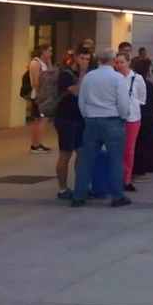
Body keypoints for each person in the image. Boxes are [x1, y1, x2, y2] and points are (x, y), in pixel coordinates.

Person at [71, 49, 131, 208]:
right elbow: (123, 103)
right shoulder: (117, 78)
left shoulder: (89, 77)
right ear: (112, 61)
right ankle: (117, 196)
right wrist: (123, 117)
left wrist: (87, 116)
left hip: (91, 120)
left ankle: (79, 195)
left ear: (98, 61)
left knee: (86, 160)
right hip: (112, 120)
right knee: (115, 160)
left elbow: (81, 101)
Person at [54, 47, 90, 199]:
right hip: (65, 118)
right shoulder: (66, 74)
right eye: (82, 58)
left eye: (87, 59)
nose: (85, 62)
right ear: (75, 58)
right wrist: (82, 73)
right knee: (65, 154)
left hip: (80, 118)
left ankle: (80, 186)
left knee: (81, 153)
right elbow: (76, 92)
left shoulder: (88, 74)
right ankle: (62, 188)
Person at [115, 52, 146, 190]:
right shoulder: (114, 78)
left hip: (132, 117)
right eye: (117, 62)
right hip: (116, 117)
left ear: (128, 63)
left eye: (122, 62)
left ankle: (126, 178)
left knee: (129, 150)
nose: (119, 65)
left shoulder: (137, 78)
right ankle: (115, 177)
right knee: (117, 149)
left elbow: (141, 98)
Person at [133, 60, 153, 180]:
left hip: (136, 115)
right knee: (143, 143)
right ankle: (141, 170)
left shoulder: (133, 81)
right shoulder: (146, 83)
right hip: (146, 116)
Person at [27, 44, 53, 154]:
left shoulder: (44, 63)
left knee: (40, 120)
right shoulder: (35, 63)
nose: (50, 53)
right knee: (41, 119)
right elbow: (35, 81)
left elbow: (52, 74)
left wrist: (49, 62)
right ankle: (35, 144)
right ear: (43, 51)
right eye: (49, 51)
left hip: (45, 95)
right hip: (39, 95)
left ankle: (37, 142)